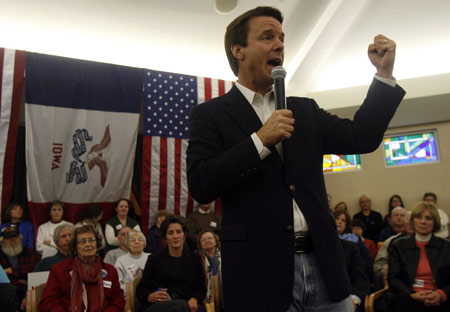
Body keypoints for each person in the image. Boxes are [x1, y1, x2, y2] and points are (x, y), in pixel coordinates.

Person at [186, 5, 405, 311]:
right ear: (239, 50)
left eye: (281, 39)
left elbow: (362, 137)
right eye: (267, 37)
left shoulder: (305, 110)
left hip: (325, 267)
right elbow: (201, 184)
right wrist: (259, 141)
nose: (279, 45)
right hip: (259, 274)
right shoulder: (210, 115)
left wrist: (383, 74)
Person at [39, 224, 125, 312]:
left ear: (97, 244)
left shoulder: (110, 271)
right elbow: (48, 302)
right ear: (75, 247)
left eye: (91, 240)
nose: (88, 245)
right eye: (83, 241)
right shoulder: (59, 270)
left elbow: (118, 300)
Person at [388, 202, 450, 311]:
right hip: (408, 297)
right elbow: (393, 279)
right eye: (419, 217)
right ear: (412, 221)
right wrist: (411, 294)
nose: (423, 222)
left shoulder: (446, 247)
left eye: (428, 218)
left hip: (439, 299)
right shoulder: (398, 245)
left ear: (435, 222)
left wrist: (441, 294)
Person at [136, 216, 206, 312]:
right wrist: (150, 296)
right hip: (161, 306)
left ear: (184, 235)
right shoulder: (154, 259)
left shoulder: (195, 258)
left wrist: (194, 299)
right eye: (170, 233)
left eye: (178, 232)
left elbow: (201, 288)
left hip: (188, 303)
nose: (175, 236)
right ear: (165, 237)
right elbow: (141, 289)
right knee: (181, 306)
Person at [0, 226, 41, 310]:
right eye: (8, 238)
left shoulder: (31, 253)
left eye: (15, 237)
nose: (13, 240)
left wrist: (11, 271)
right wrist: (20, 280)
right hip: (5, 296)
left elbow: (35, 268)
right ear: (2, 242)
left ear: (20, 239)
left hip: (27, 293)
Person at [198, 229, 222, 307]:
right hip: (205, 297)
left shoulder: (225, 255)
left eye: (210, 238)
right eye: (203, 240)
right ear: (200, 244)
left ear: (216, 241)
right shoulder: (197, 259)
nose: (207, 241)